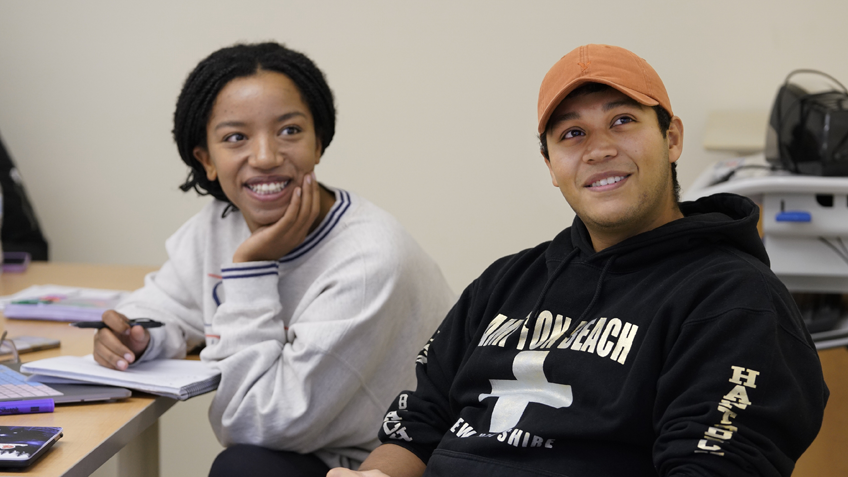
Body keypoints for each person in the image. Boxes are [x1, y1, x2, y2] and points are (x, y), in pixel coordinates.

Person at [327, 44, 829, 477]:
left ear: (672, 138)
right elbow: (416, 429)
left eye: (622, 120)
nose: (599, 149)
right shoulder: (504, 282)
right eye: (572, 134)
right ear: (550, 165)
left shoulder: (735, 300)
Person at [91, 42, 456, 477]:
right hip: (308, 447)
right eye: (235, 138)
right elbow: (168, 302)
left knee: (242, 468)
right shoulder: (219, 223)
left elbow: (254, 420)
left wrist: (250, 269)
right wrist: (140, 335)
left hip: (381, 464)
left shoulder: (368, 261)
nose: (264, 157)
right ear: (206, 159)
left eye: (289, 131)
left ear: (319, 141)